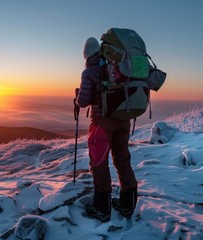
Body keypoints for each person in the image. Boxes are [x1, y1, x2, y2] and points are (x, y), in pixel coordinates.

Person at [74, 37, 138, 222]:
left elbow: (84, 101)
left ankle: (102, 208)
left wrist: (78, 97)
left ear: (86, 55)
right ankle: (127, 204)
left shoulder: (90, 71)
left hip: (102, 123)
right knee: (122, 159)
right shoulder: (117, 67)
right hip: (123, 120)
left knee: (99, 163)